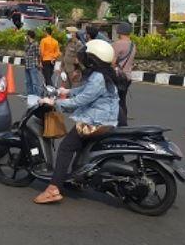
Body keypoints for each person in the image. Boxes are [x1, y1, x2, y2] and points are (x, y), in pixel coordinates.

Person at [33, 39, 120, 204]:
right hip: (104, 120)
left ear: (93, 59)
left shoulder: (98, 77)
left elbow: (81, 100)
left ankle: (53, 189)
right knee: (80, 147)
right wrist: (65, 91)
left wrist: (55, 103)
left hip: (95, 122)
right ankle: (77, 179)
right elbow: (85, 91)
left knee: (66, 147)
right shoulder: (104, 74)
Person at [112, 22, 136, 127]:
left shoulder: (117, 44)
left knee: (114, 100)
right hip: (127, 77)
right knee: (122, 101)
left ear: (119, 31)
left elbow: (112, 62)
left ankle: (117, 122)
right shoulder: (132, 44)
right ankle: (123, 123)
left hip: (117, 76)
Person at [23, 30, 43, 97]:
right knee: (27, 81)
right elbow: (25, 50)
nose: (26, 37)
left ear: (29, 36)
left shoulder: (36, 44)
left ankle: (37, 95)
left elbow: (39, 54)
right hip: (27, 64)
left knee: (35, 82)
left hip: (33, 64)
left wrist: (39, 63)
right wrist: (26, 41)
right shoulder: (27, 43)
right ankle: (30, 95)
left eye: (27, 35)